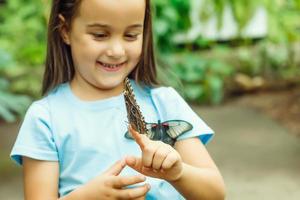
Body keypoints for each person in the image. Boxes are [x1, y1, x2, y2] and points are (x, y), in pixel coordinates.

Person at [10, 0, 226, 199]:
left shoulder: (165, 103)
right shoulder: (45, 118)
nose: (116, 50)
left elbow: (215, 192)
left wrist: (178, 172)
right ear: (65, 30)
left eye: (131, 35)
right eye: (100, 35)